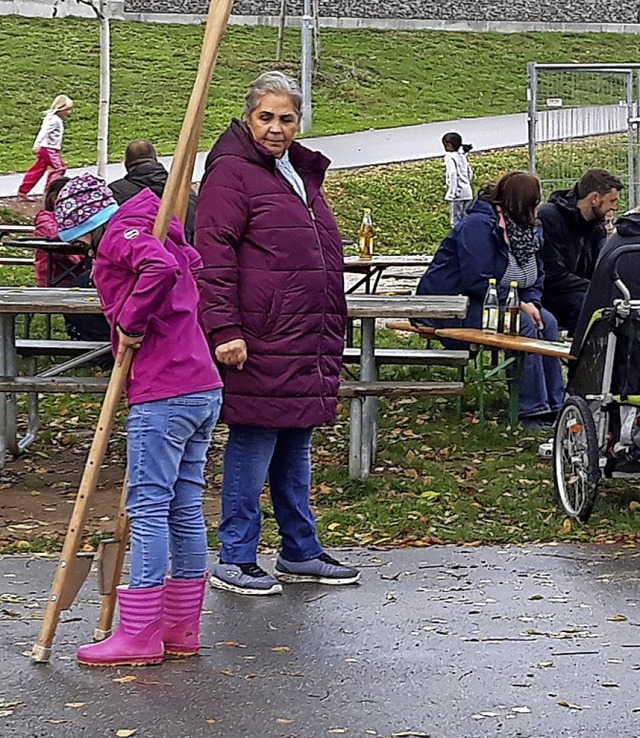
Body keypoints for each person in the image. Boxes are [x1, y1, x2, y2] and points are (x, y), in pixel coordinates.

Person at [194, 71, 360, 596]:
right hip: (260, 334)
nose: (276, 128)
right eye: (266, 117)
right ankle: (236, 556)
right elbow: (212, 257)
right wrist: (223, 327)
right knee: (254, 437)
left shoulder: (296, 173)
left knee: (295, 440)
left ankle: (299, 549)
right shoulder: (231, 174)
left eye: (286, 118)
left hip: (305, 332)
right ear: (248, 118)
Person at [54, 173, 223, 667]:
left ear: (85, 228)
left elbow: (160, 268)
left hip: (163, 386)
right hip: (200, 383)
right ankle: (180, 627)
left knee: (149, 506)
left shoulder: (120, 239)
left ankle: (141, 632)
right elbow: (185, 260)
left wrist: (130, 321)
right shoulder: (150, 225)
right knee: (184, 503)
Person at [416, 171, 564, 428]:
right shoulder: (477, 226)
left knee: (546, 322)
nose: (539, 208)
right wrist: (516, 303)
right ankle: (532, 411)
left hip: (498, 301)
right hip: (452, 305)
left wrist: (532, 302)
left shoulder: (529, 231)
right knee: (522, 325)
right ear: (521, 203)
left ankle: (557, 405)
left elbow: (535, 276)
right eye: (535, 202)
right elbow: (476, 279)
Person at [538, 168, 623, 335]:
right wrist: (595, 289)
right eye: (612, 201)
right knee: (586, 302)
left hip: (578, 292)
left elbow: (600, 269)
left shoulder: (595, 226)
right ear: (595, 198)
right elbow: (552, 274)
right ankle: (583, 359)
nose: (615, 207)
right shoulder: (550, 218)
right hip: (548, 295)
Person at [109, 140, 198, 244]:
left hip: (140, 255)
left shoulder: (114, 193)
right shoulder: (183, 190)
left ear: (126, 165)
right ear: (155, 160)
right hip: (186, 253)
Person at [18, 95, 73, 201]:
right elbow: (44, 132)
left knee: (38, 169)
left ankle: (23, 190)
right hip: (48, 149)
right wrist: (37, 144)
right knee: (59, 168)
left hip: (47, 148)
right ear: (60, 109)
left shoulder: (51, 118)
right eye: (67, 110)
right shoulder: (54, 120)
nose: (69, 113)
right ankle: (49, 192)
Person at [33, 177, 85, 287]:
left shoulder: (78, 218)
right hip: (52, 276)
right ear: (53, 198)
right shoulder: (45, 218)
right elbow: (54, 235)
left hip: (77, 274)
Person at [442, 131, 473, 227]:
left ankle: (456, 239)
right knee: (466, 218)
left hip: (458, 193)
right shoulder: (462, 156)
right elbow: (469, 172)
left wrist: (452, 192)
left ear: (449, 145)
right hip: (467, 192)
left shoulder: (449, 157)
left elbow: (452, 174)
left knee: (455, 221)